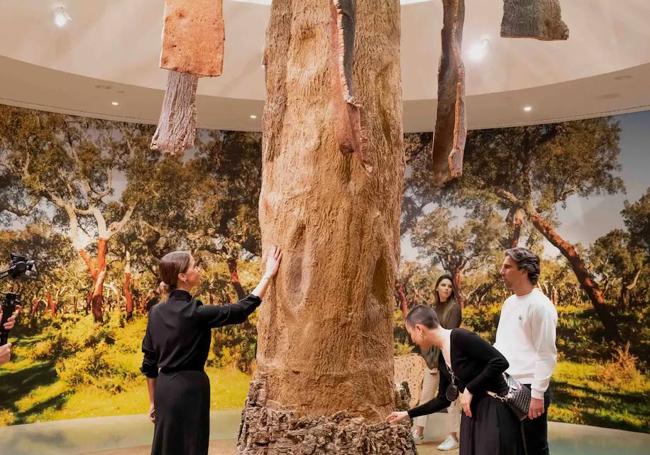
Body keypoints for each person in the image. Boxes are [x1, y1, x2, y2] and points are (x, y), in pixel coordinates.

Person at [141, 246, 282, 455]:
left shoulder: (155, 312)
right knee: (192, 446)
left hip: (164, 390)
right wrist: (268, 275)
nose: (198, 269)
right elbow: (241, 310)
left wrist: (153, 401)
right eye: (194, 266)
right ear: (182, 276)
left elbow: (149, 363)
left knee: (166, 446)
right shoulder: (196, 312)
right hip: (191, 389)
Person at [388, 305, 524, 455]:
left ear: (419, 329)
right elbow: (443, 399)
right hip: (471, 414)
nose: (412, 339)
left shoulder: (460, 337)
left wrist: (470, 389)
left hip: (493, 410)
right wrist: (407, 414)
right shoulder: (441, 358)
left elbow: (500, 362)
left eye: (410, 333)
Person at [495, 247, 557, 455]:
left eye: (507, 267)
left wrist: (537, 395)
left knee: (535, 449)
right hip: (506, 384)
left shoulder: (541, 306)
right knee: (511, 447)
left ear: (524, 271)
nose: (501, 271)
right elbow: (501, 345)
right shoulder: (509, 303)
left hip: (530, 389)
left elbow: (546, 354)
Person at [401, 275, 461, 450]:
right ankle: (418, 432)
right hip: (432, 362)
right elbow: (424, 335)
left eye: (449, 286)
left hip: (448, 360)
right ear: (437, 288)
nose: (446, 289)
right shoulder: (432, 309)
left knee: (451, 399)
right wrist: (429, 359)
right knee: (425, 396)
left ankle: (453, 437)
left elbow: (449, 335)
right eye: (443, 285)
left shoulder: (454, 308)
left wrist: (443, 362)